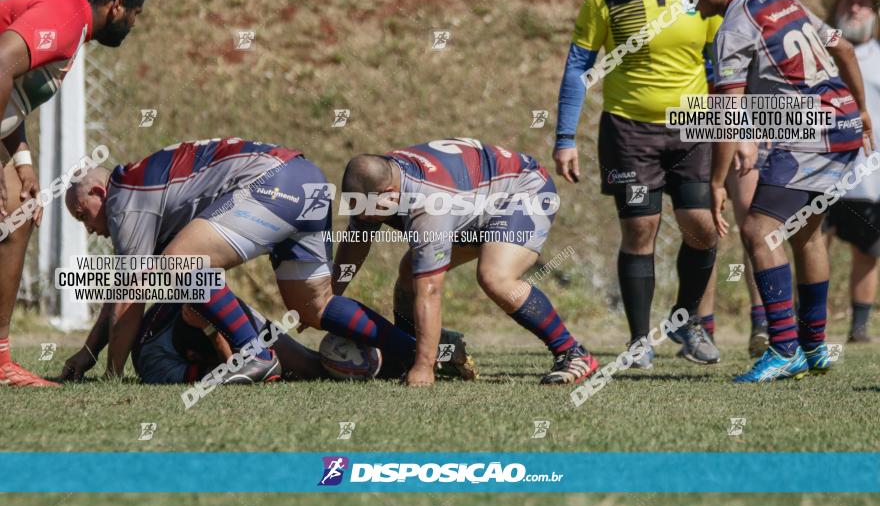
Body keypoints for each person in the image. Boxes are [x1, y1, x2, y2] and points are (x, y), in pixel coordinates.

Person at [61, 137, 471, 384]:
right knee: (314, 306)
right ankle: (422, 354)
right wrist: (90, 350)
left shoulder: (125, 196)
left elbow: (130, 295)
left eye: (82, 214)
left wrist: (111, 374)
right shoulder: (143, 183)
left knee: (177, 265)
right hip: (305, 177)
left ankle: (253, 355)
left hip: (271, 183)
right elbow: (126, 292)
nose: (88, 227)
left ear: (98, 192)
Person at [684, 0, 873, 381]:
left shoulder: (732, 28)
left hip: (811, 134)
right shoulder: (781, 3)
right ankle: (814, 347)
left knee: (759, 229)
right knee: (806, 235)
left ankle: (784, 347)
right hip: (841, 125)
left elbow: (729, 113)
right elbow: (843, 48)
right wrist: (862, 110)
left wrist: (715, 184)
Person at [553, 0, 720, 368]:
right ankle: (638, 340)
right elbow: (578, 66)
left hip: (693, 126)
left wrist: (738, 130)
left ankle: (687, 321)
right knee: (640, 229)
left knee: (702, 227)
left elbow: (723, 61)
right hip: (630, 130)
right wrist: (565, 138)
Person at [333, 137, 599, 386]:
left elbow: (431, 289)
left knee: (495, 276)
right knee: (409, 274)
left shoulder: (428, 204)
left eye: (369, 215)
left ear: (390, 193)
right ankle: (409, 354)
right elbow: (357, 240)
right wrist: (329, 299)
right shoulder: (373, 183)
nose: (364, 220)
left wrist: (423, 369)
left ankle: (572, 353)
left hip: (522, 189)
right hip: (474, 199)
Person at [0, 0, 149, 386]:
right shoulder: (67, 15)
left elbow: (11, 93)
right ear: (118, 6)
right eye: (136, 14)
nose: (134, 25)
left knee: (19, 209)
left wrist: (23, 161)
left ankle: (2, 361)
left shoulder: (71, 19)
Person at [686, 0, 790, 357]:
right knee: (701, 223)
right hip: (694, 112)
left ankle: (764, 325)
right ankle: (700, 327)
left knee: (754, 220)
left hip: (746, 115)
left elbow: (784, 49)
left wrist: (762, 121)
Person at [62, 297, 326, 384]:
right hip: (198, 345)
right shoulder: (156, 363)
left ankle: (357, 361)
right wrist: (211, 332)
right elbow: (231, 375)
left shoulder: (203, 301)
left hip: (216, 317)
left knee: (312, 366)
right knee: (260, 371)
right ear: (193, 355)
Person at [821, 0, 880, 343]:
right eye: (848, 1)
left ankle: (859, 327)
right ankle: (811, 322)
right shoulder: (819, 55)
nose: (855, 8)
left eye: (862, 2)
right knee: (814, 242)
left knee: (868, 250)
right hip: (824, 170)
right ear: (837, 8)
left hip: (871, 175)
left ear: (874, 11)